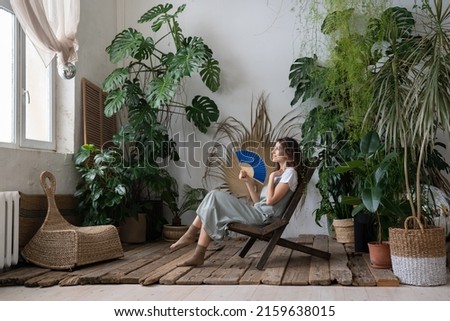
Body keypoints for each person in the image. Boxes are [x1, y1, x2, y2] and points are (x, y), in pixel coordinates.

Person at [169, 137, 302, 266]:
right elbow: (258, 202)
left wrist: (272, 177)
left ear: (289, 153)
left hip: (264, 218)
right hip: (258, 212)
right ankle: (198, 253)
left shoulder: (289, 173)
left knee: (214, 196)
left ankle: (191, 235)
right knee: (212, 205)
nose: (273, 151)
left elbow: (270, 201)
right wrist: (248, 182)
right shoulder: (281, 173)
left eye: (278, 149)